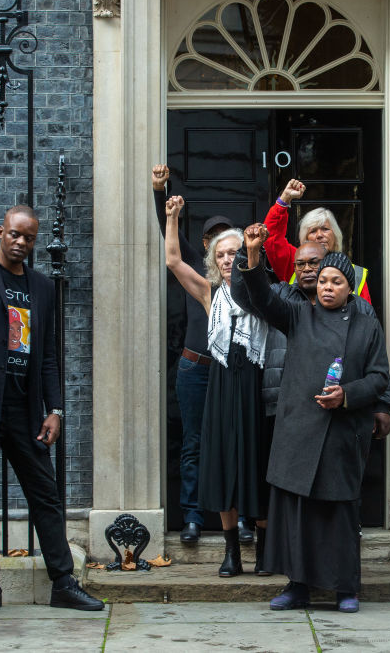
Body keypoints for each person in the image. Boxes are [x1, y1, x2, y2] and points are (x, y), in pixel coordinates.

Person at [235, 226, 390, 614]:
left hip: (342, 432)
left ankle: (345, 589)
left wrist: (348, 395)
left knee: (338, 515)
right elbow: (261, 298)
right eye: (322, 281)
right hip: (298, 430)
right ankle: (297, 587)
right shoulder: (297, 314)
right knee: (297, 515)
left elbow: (379, 378)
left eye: (335, 281)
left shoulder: (366, 323)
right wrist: (253, 258)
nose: (326, 287)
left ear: (348, 287)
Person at [0, 205, 103, 613]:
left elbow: (50, 354)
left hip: (25, 407)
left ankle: (63, 582)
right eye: (14, 234)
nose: (21, 242)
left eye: (29, 237)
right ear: (1, 232)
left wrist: (55, 408)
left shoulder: (41, 286)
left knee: (45, 495)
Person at [164, 195, 270, 577]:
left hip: (255, 388)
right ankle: (231, 553)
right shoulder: (211, 294)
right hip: (221, 386)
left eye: (235, 253)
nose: (228, 259)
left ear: (247, 255)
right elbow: (174, 260)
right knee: (224, 464)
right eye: (221, 254)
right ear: (214, 260)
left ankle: (262, 552)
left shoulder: (263, 292)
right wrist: (171, 216)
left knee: (256, 466)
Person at [231, 240, 390, 442]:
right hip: (285, 404)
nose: (306, 269)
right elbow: (247, 295)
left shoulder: (359, 308)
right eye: (300, 264)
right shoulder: (283, 297)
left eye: (313, 263)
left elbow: (376, 363)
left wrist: (382, 405)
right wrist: (247, 252)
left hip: (340, 409)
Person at [152, 165, 238, 544]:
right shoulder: (202, 281)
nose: (224, 253)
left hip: (229, 371)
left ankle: (241, 517)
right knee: (193, 443)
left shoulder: (249, 286)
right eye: (215, 243)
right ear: (206, 248)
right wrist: (162, 194)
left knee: (234, 440)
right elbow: (170, 246)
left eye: (230, 246)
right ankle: (191, 516)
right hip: (193, 367)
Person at [262, 179, 372, 303]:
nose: (319, 235)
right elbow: (272, 237)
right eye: (313, 231)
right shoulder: (294, 261)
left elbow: (366, 317)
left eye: (325, 229)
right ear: (305, 238)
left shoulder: (356, 273)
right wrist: (284, 200)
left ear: (335, 235)